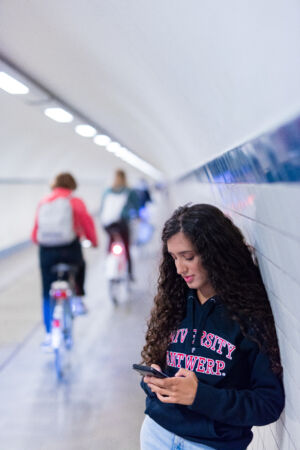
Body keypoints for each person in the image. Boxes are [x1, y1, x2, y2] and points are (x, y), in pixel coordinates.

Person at [139, 204, 284, 450]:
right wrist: (153, 382)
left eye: (188, 257)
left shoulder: (250, 316)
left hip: (211, 444)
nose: (179, 269)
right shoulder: (174, 304)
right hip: (157, 433)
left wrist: (199, 396)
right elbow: (160, 364)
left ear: (216, 252)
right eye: (173, 258)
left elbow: (267, 405)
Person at [31, 172, 98, 346]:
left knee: (46, 293)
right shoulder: (75, 201)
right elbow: (87, 223)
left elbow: (35, 232)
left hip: (46, 251)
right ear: (72, 185)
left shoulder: (43, 201)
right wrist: (93, 241)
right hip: (70, 250)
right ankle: (78, 299)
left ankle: (48, 334)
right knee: (81, 265)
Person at [99, 169, 139, 280]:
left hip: (107, 224)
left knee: (110, 243)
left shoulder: (107, 191)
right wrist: (137, 216)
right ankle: (130, 273)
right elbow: (136, 207)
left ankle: (107, 264)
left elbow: (102, 208)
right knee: (126, 247)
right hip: (122, 223)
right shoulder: (129, 191)